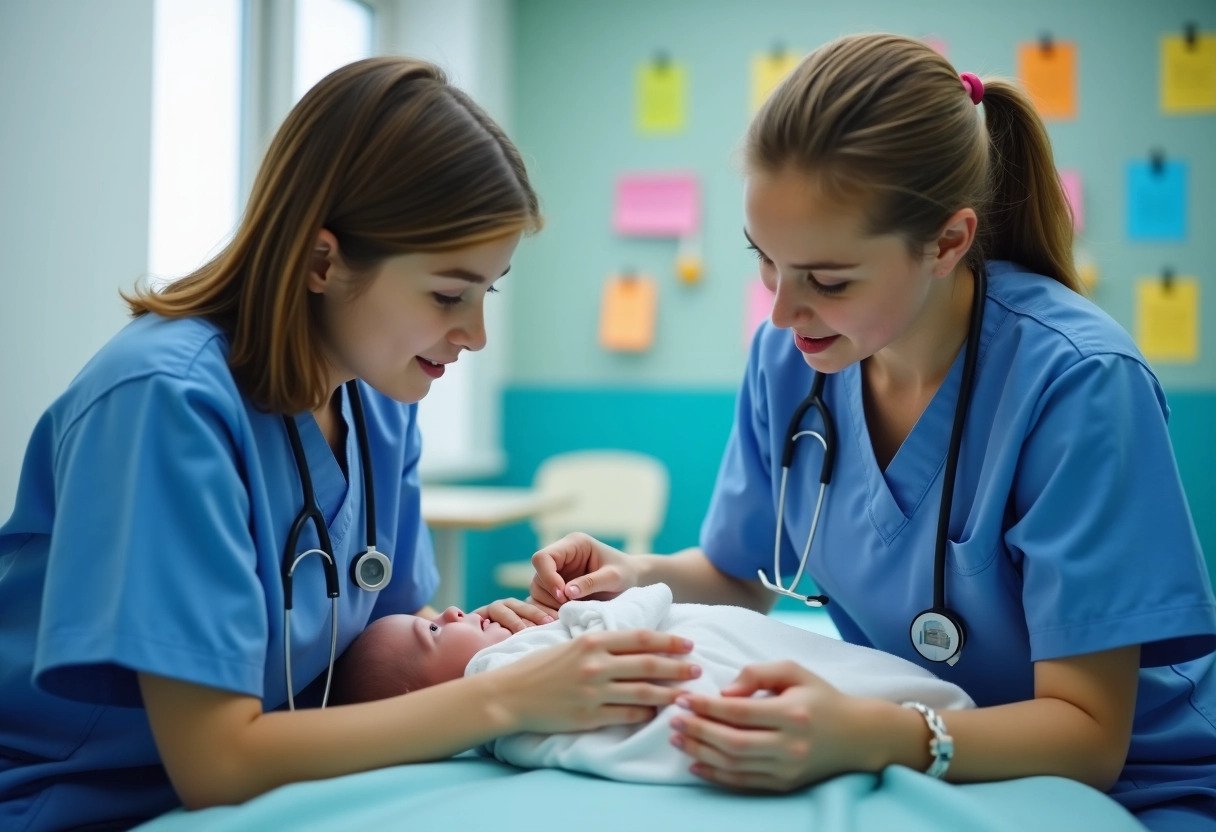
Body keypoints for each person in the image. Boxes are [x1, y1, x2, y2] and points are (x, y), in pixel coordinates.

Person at [526, 33, 1216, 832]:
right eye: (766, 262)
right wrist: (635, 573)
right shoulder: (792, 363)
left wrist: (873, 734)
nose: (782, 312)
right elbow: (736, 570)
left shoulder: (1079, 383)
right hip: (911, 755)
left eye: (827, 279)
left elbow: (1090, 735)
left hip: (1125, 788)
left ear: (948, 242)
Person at [0, 58, 697, 832]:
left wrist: (469, 642)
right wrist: (506, 695)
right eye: (447, 294)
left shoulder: (378, 400)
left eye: (486, 292)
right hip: (76, 802)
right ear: (322, 261)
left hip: (288, 787)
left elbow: (369, 649)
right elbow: (215, 763)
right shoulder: (164, 402)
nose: (475, 334)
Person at [331, 584, 975, 785]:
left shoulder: (509, 717)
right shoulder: (503, 680)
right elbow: (644, 610)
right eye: (434, 636)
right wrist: (597, 609)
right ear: (431, 707)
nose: (448, 612)